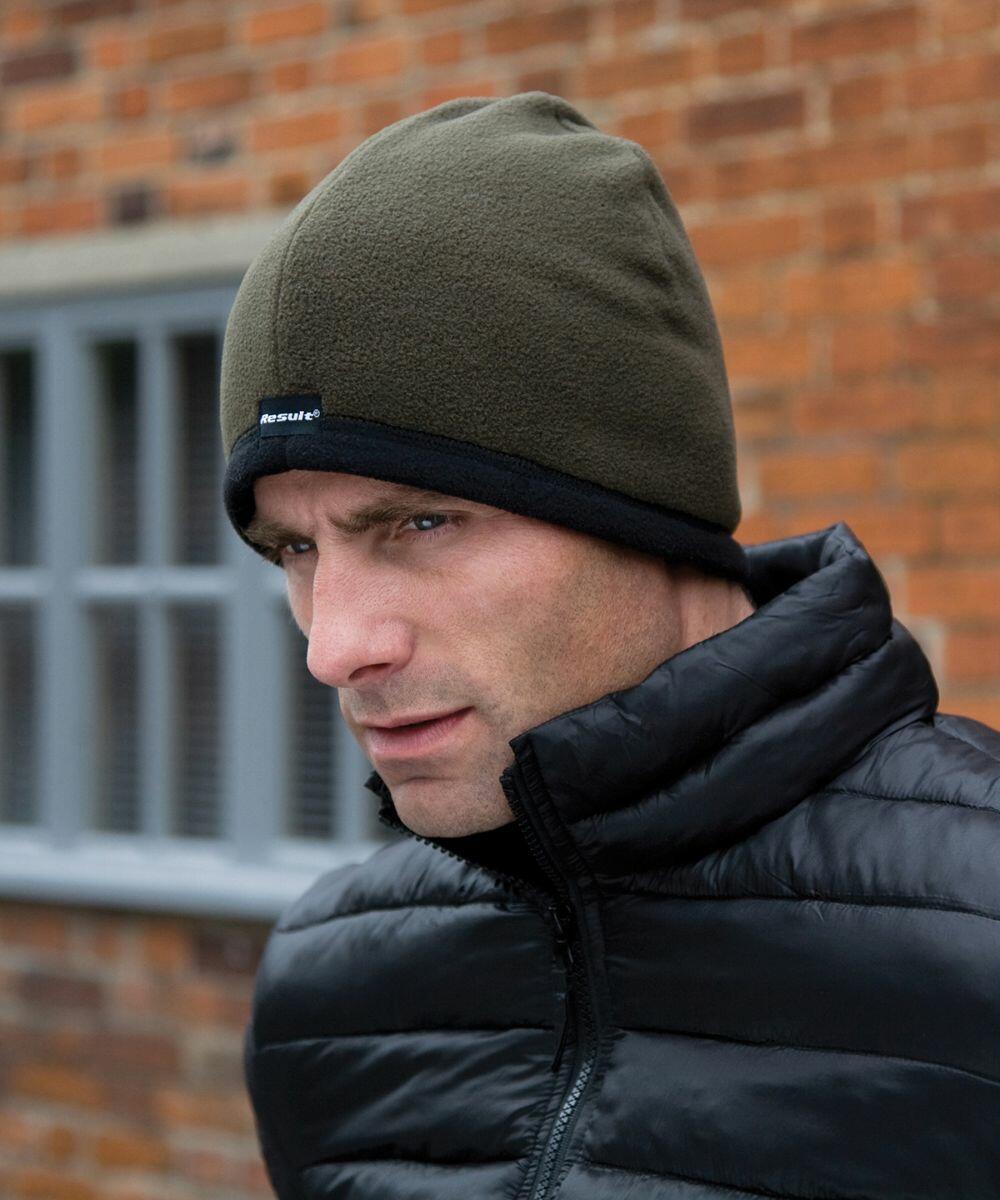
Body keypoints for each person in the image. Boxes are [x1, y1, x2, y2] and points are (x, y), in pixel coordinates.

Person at [219, 92, 1000, 1200]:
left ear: (639, 503)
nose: (335, 647)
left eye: (420, 523)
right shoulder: (326, 993)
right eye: (293, 550)